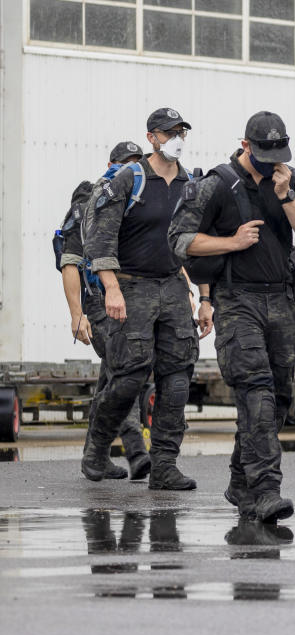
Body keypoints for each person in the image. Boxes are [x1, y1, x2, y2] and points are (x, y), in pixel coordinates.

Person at [169, 111, 295, 523]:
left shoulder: (288, 179)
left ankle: (240, 482)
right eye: (263, 152)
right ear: (245, 144)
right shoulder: (216, 184)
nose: (271, 159)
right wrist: (231, 242)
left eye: (278, 153)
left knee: (278, 402)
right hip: (238, 302)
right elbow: (180, 241)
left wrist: (288, 196)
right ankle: (266, 489)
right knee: (255, 393)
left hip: (283, 302)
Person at [82, 108, 200, 490]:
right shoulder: (128, 180)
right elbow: (100, 237)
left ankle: (164, 465)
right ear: (152, 137)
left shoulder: (189, 184)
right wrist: (111, 287)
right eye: (169, 132)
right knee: (128, 378)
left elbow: (194, 243)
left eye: (181, 131)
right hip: (131, 286)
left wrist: (205, 295)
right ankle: (97, 450)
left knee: (178, 377)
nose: (176, 138)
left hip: (172, 286)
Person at [58, 141, 150, 480]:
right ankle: (137, 451)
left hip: (134, 302)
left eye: (136, 163)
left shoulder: (138, 202)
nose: (130, 168)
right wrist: (76, 313)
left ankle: (94, 458)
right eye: (125, 162)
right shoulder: (90, 204)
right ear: (111, 164)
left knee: (112, 379)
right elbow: (70, 262)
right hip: (100, 303)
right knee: (124, 373)